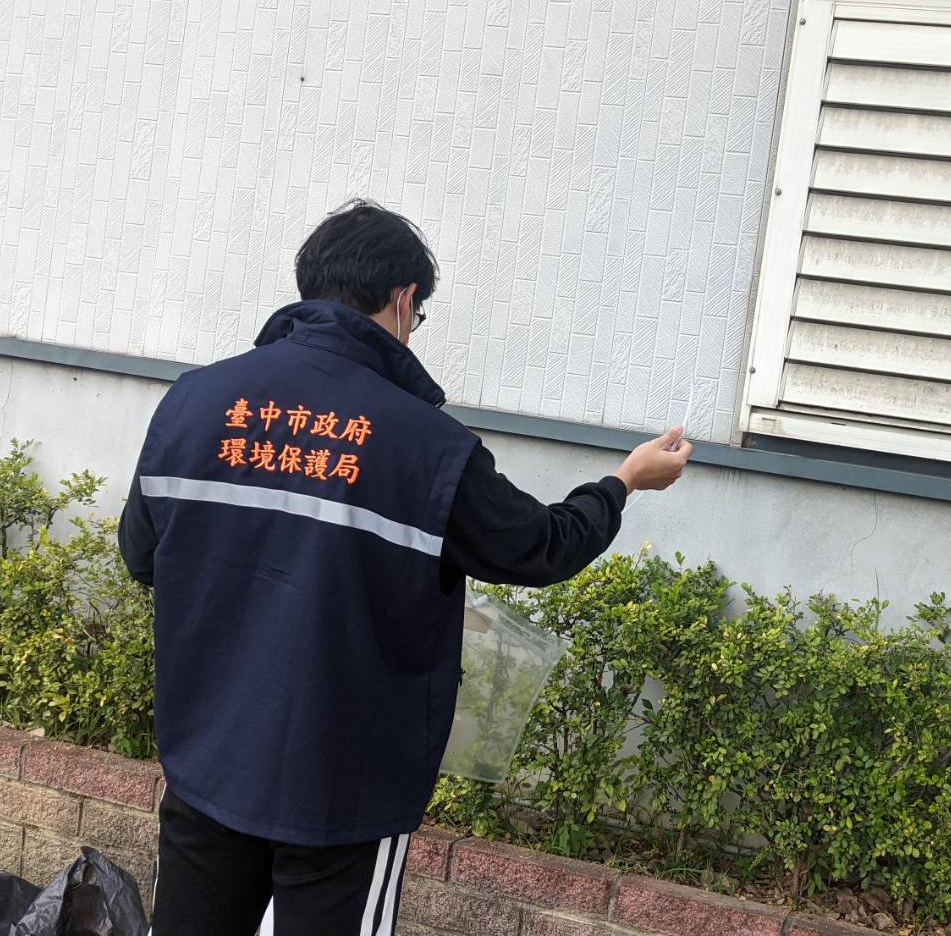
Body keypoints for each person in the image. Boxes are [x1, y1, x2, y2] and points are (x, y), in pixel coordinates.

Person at [116, 199, 691, 935]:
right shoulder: (427, 445)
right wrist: (624, 482)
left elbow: (144, 557)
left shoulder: (194, 403)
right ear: (402, 299)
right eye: (418, 315)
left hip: (208, 761)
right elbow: (541, 546)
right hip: (346, 789)